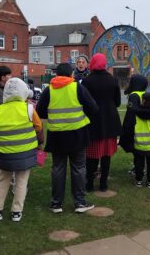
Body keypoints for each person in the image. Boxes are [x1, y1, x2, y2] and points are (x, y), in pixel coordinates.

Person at [36, 63, 98, 213]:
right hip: (77, 134)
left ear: (56, 74)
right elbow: (93, 108)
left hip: (57, 136)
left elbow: (40, 112)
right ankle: (80, 203)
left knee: (58, 168)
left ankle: (56, 204)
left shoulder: (49, 90)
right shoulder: (77, 87)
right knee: (78, 168)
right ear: (71, 74)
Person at [0, 78, 42, 222]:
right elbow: (38, 126)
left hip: (4, 153)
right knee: (21, 181)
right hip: (25, 152)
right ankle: (17, 212)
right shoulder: (28, 108)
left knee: (3, 179)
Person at [82, 53, 122, 192]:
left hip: (93, 121)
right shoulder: (113, 80)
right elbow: (117, 102)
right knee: (106, 155)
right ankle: (104, 184)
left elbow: (84, 103)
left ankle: (89, 184)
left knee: (91, 155)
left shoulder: (87, 81)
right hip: (110, 120)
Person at [121, 92, 150, 188]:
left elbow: (131, 127)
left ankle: (139, 180)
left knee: (139, 163)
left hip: (138, 143)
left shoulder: (136, 112)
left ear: (144, 100)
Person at [119, 74, 148, 174]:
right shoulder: (143, 93)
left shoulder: (134, 96)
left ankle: (138, 169)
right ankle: (139, 167)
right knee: (140, 150)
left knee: (136, 150)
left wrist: (126, 128)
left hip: (135, 126)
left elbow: (131, 113)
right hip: (143, 126)